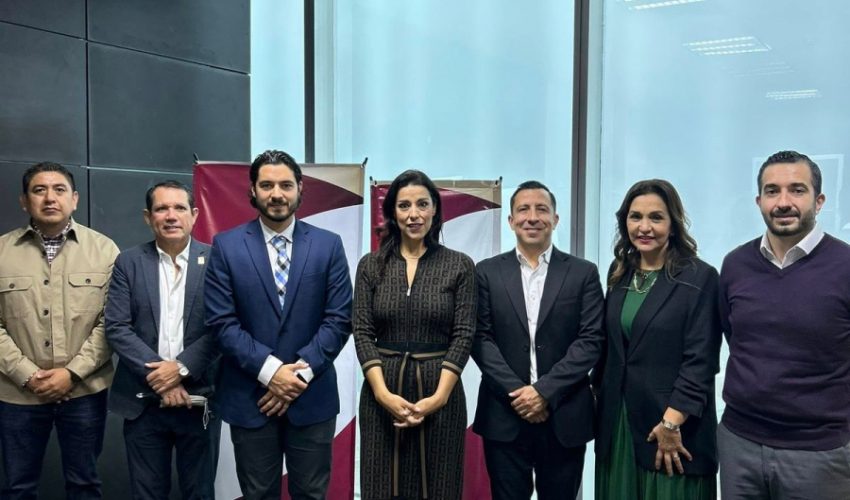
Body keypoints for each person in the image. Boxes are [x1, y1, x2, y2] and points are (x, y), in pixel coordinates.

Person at [205, 149, 352, 500]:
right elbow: (222, 323)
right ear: (252, 190)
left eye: (286, 185)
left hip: (311, 397)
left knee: (311, 495)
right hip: (250, 398)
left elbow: (339, 318)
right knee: (257, 494)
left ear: (300, 189)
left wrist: (297, 376)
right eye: (267, 185)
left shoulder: (328, 245)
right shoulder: (226, 246)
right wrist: (271, 372)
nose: (276, 194)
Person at [718, 150, 850, 499]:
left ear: (819, 201)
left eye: (797, 190)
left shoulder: (845, 266)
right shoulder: (735, 265)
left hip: (820, 453)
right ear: (759, 201)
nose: (783, 202)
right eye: (772, 191)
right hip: (739, 444)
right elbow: (736, 337)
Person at [472, 180, 604, 500]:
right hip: (504, 414)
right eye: (523, 210)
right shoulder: (486, 272)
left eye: (541, 209)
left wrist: (543, 391)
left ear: (555, 219)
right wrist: (521, 394)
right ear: (511, 220)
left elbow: (590, 340)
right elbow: (480, 339)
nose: (532, 217)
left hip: (564, 415)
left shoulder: (583, 273)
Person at [594, 179, 721, 499]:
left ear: (673, 224)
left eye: (656, 217)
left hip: (672, 427)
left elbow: (701, 361)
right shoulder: (619, 272)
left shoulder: (699, 277)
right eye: (635, 217)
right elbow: (611, 350)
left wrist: (671, 423)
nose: (644, 227)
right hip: (619, 424)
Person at [353, 170, 476, 500]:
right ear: (392, 212)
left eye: (422, 204)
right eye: (404, 205)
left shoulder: (459, 265)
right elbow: (362, 331)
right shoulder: (370, 265)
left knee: (440, 487)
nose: (414, 214)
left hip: (441, 394)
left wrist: (438, 398)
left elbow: (464, 334)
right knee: (381, 487)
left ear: (435, 209)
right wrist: (383, 395)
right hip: (382, 393)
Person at [0, 161, 119, 498]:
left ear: (75, 199)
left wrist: (71, 374)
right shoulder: (1, 252)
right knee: (17, 487)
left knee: (84, 484)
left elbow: (112, 322)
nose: (50, 198)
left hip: (84, 392)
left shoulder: (105, 250)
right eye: (39, 190)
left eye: (59, 190)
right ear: (25, 201)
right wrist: (27, 375)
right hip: (17, 392)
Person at [105, 180, 221, 499]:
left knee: (199, 493)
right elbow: (117, 327)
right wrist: (164, 379)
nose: (171, 216)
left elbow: (222, 327)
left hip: (199, 399)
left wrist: (181, 369)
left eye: (179, 208)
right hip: (143, 403)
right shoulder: (129, 262)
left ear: (194, 215)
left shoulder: (217, 261)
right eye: (161, 208)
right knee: (147, 494)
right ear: (148, 217)